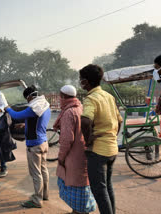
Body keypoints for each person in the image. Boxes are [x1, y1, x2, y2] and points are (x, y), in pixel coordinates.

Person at [79, 64, 123, 214]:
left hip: (98, 151)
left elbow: (85, 121)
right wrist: (111, 136)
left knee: (99, 190)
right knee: (107, 186)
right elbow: (120, 120)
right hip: (112, 149)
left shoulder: (91, 98)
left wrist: (88, 139)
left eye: (81, 80)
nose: (80, 82)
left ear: (86, 81)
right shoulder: (109, 96)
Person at [5, 85, 50, 208]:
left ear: (30, 96)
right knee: (43, 170)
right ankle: (44, 194)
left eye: (27, 99)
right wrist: (25, 125)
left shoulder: (34, 107)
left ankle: (37, 200)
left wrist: (7, 108)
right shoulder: (44, 104)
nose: (27, 101)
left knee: (36, 173)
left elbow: (16, 115)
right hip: (43, 142)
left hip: (34, 145)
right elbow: (37, 121)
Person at [53, 85, 96, 214]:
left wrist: (61, 158)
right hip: (84, 153)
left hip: (73, 156)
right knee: (83, 184)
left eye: (60, 97)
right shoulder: (81, 108)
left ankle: (77, 212)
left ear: (64, 97)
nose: (60, 99)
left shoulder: (68, 113)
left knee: (73, 185)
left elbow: (66, 140)